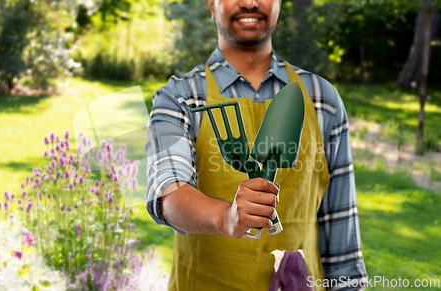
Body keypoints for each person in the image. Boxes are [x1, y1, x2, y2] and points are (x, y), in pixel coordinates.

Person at [145, 0, 367, 290]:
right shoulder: (180, 95)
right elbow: (168, 193)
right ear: (212, 4)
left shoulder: (321, 98)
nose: (250, 3)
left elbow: (339, 224)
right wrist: (227, 217)